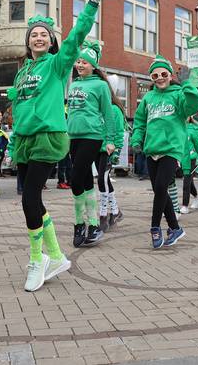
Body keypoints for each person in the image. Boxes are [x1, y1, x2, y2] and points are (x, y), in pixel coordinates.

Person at [9, 0, 121, 291]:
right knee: (30, 201)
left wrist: (92, 5)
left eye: (44, 34)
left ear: (51, 40)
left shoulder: (57, 65)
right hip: (24, 139)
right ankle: (56, 256)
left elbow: (75, 37)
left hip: (48, 138)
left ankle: (37, 259)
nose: (39, 38)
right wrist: (12, 141)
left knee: (31, 197)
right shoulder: (22, 73)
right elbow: (19, 109)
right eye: (34, 35)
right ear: (28, 41)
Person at [131, 55, 198, 248]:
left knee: (161, 188)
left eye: (163, 74)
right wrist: (137, 140)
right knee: (160, 191)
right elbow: (140, 122)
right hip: (152, 149)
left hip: (171, 149)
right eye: (155, 75)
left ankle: (154, 227)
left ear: (170, 75)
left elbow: (192, 106)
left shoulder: (178, 94)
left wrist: (187, 84)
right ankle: (175, 228)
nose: (159, 78)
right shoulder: (148, 98)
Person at [66, 40, 115, 247]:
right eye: (77, 61)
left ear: (93, 65)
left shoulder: (101, 85)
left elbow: (109, 113)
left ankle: (80, 224)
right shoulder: (74, 84)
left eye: (84, 62)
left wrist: (111, 139)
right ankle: (92, 226)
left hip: (92, 136)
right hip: (72, 136)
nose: (79, 65)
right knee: (84, 181)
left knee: (75, 178)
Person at [97, 76, 125, 230]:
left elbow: (119, 132)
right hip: (96, 149)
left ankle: (103, 214)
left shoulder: (115, 110)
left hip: (108, 151)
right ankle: (115, 211)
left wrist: (116, 151)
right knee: (105, 181)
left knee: (102, 180)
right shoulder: (97, 110)